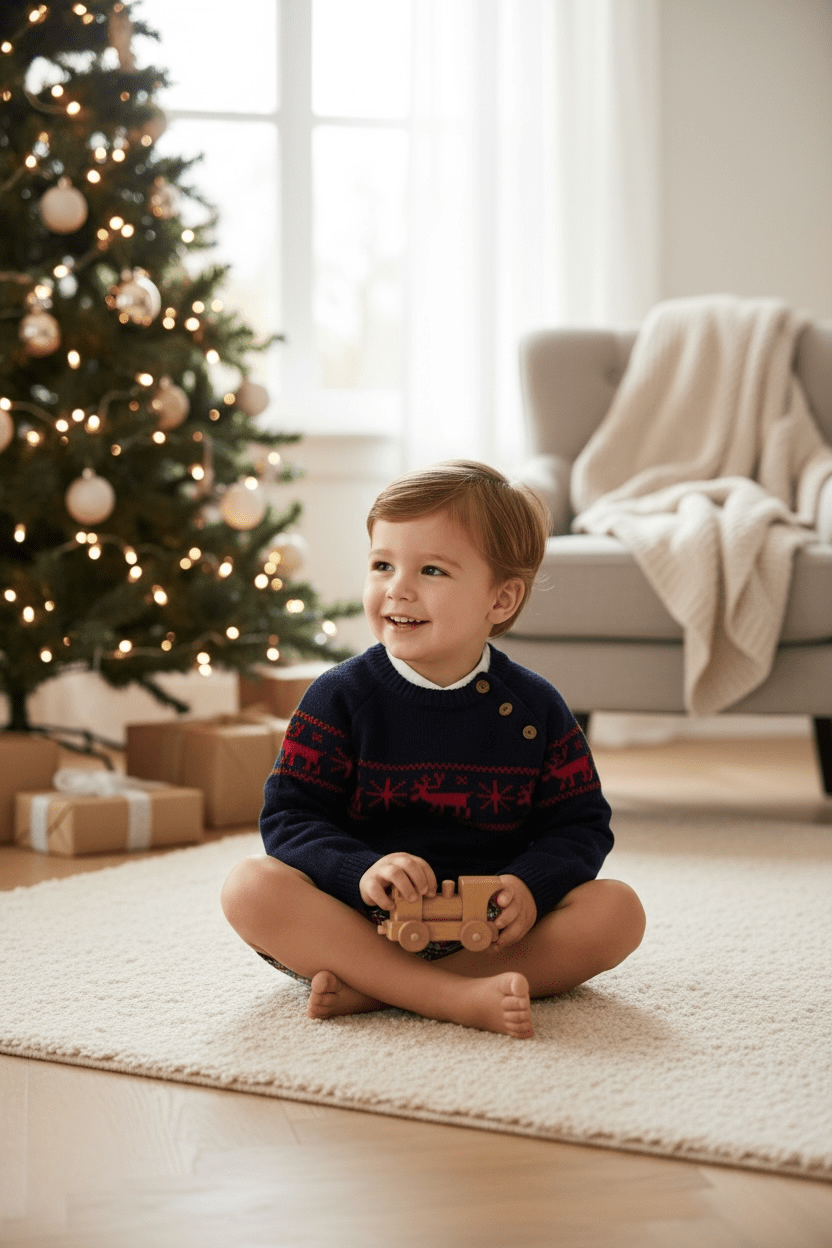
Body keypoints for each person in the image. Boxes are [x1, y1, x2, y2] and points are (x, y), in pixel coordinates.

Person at [221, 460, 645, 1039]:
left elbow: (581, 826)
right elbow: (291, 817)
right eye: (382, 564)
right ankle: (448, 995)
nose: (397, 587)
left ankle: (382, 988)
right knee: (250, 887)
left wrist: (528, 884)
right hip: (360, 923)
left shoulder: (536, 709)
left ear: (499, 600)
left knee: (618, 912)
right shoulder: (338, 698)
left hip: (491, 932)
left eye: (432, 570)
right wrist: (361, 870)